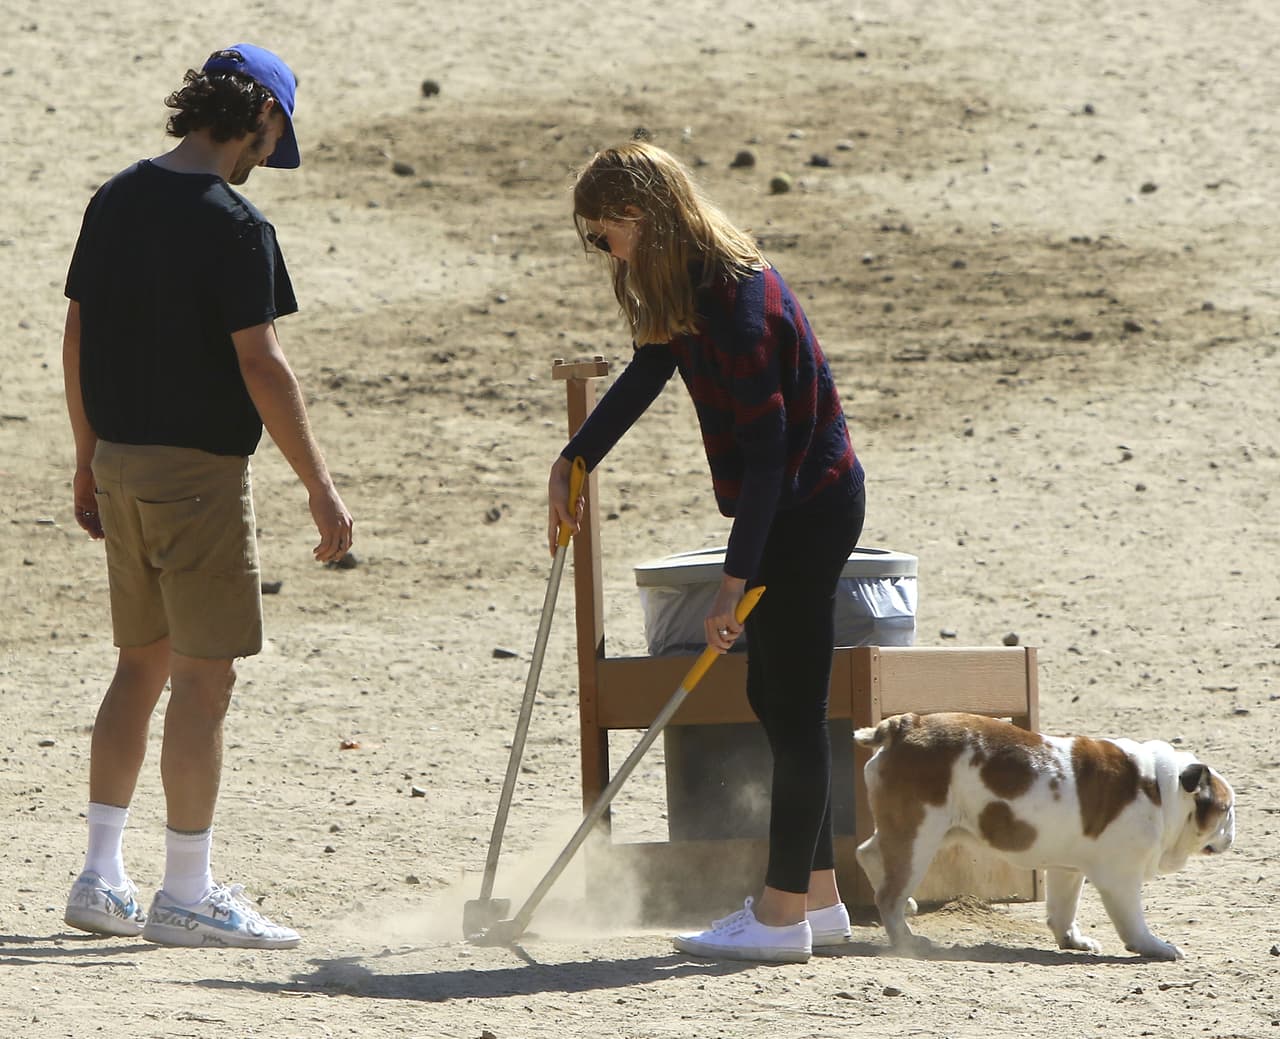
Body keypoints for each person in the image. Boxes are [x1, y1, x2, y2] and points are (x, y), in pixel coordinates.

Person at [61, 43, 353, 949]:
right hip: (196, 479)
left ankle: (101, 877)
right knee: (203, 678)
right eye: (273, 137)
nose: (267, 156)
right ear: (258, 114)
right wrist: (321, 488)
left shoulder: (115, 196)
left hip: (118, 462)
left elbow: (74, 339)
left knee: (136, 665)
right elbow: (262, 364)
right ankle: (186, 888)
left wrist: (84, 457)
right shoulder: (235, 225)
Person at [547, 141, 866, 964]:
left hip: (810, 506)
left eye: (602, 236)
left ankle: (778, 914)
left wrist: (732, 583)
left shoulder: (738, 302)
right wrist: (577, 455)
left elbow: (770, 458)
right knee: (775, 695)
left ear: (639, 218)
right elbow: (650, 368)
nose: (603, 252)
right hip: (791, 506)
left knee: (794, 713)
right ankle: (820, 901)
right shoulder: (688, 289)